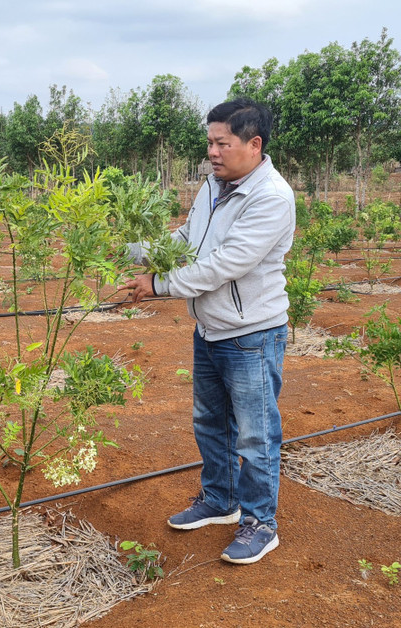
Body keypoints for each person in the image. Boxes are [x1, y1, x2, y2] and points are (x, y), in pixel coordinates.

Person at [122, 98, 295, 564]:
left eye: (222, 143)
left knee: (256, 436)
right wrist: (136, 250)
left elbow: (225, 264)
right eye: (210, 142)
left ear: (253, 144)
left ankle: (261, 523)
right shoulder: (215, 185)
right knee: (209, 423)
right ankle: (221, 499)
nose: (213, 152)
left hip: (252, 335)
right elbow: (189, 238)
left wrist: (156, 284)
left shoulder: (271, 197)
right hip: (211, 329)